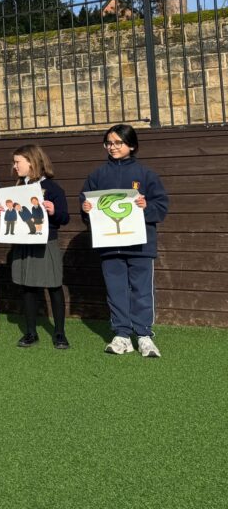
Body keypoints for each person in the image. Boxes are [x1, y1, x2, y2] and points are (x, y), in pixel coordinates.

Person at [80, 124, 169, 357]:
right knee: (116, 290)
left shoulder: (146, 174)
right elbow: (86, 206)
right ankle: (121, 334)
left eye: (118, 142)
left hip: (141, 245)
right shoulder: (97, 175)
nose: (113, 147)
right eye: (109, 142)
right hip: (110, 245)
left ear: (132, 145)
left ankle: (144, 335)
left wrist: (147, 207)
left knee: (141, 290)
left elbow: (161, 206)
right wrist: (86, 208)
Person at [0, 144, 70, 349]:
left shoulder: (53, 188)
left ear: (32, 162)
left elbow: (65, 218)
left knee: (54, 286)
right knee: (27, 286)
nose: (14, 166)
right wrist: (2, 211)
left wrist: (54, 211)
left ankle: (59, 333)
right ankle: (30, 332)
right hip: (24, 243)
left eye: (18, 162)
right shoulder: (18, 189)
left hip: (46, 243)